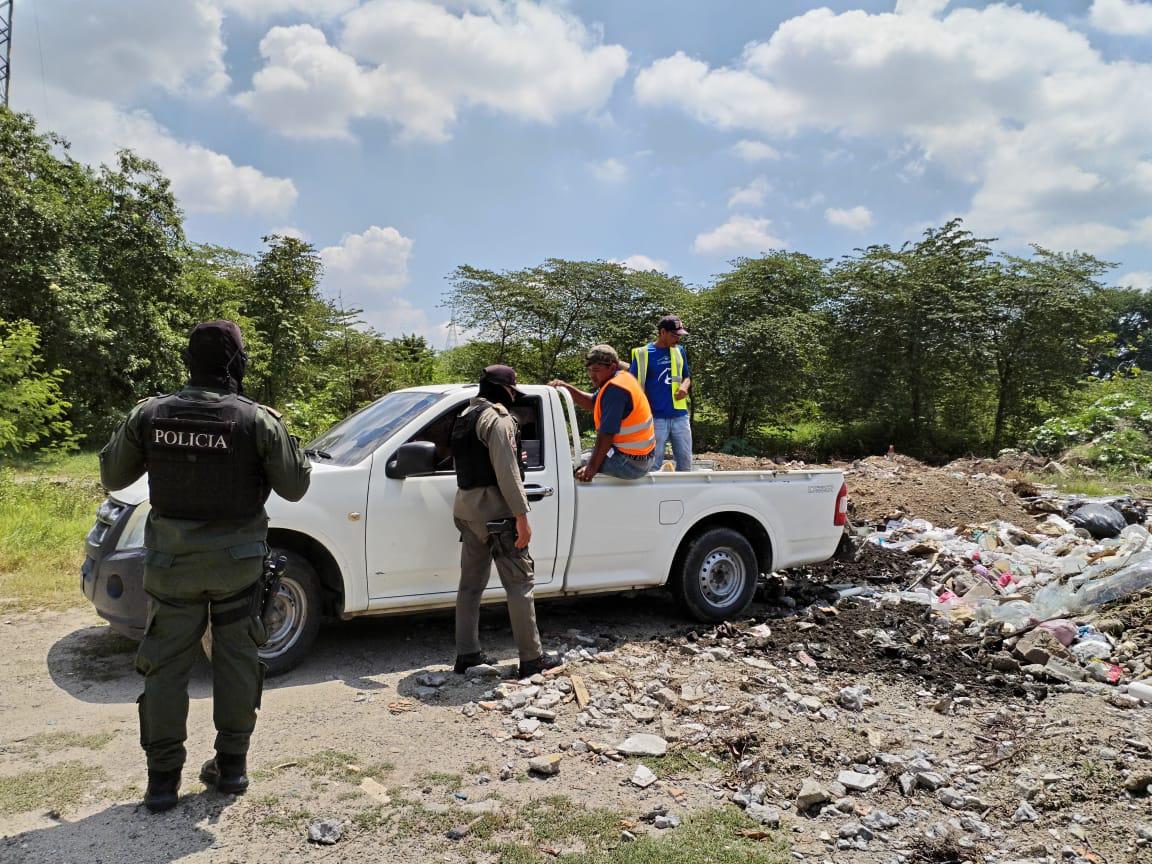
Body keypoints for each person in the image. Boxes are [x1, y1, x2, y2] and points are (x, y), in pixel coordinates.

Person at [99, 321, 311, 813]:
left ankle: (161, 782)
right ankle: (232, 768)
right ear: (236, 364)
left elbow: (113, 473)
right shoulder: (257, 420)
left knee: (166, 667)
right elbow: (295, 485)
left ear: (189, 360)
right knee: (237, 659)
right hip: (237, 567)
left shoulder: (150, 414)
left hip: (171, 567)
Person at [451, 365, 562, 680]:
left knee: (470, 585)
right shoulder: (497, 420)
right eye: (512, 391)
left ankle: (467, 655)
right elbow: (508, 474)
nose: (514, 397)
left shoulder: (464, 416)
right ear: (502, 389)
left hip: (466, 510)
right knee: (520, 584)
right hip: (497, 515)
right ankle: (531, 659)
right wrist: (522, 517)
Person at [549, 345, 656, 481]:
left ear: (612, 367)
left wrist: (591, 468)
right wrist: (567, 388)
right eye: (589, 370)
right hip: (639, 459)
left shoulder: (615, 389)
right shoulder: (620, 378)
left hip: (630, 464)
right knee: (585, 455)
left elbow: (606, 434)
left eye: (596, 370)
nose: (591, 376)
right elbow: (593, 403)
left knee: (567, 467)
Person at [629, 315, 693, 471]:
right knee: (652, 465)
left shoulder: (679, 351)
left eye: (679, 336)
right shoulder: (643, 354)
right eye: (674, 335)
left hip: (680, 416)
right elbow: (633, 385)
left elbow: (687, 377)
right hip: (655, 418)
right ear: (662, 332)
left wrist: (684, 387)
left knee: (685, 464)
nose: (677, 339)